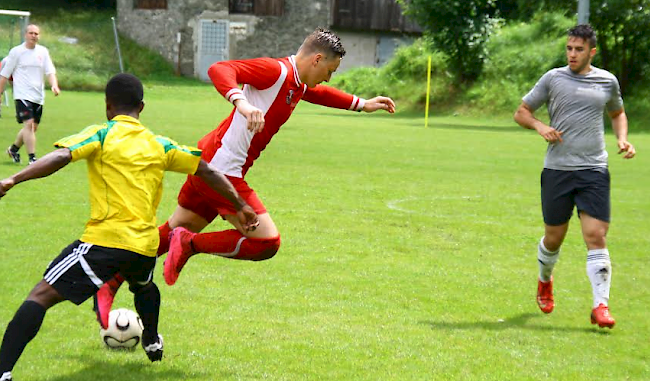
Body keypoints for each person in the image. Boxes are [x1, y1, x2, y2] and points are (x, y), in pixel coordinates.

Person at [92, 27, 396, 327]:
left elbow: (318, 93)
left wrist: (361, 104)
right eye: (330, 69)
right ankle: (191, 245)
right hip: (221, 171)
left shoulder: (298, 82)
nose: (329, 77)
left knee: (170, 231)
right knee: (266, 242)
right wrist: (242, 102)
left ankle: (109, 280)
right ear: (316, 59)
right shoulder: (275, 71)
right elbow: (220, 68)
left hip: (210, 160)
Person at [0, 73, 259, 381]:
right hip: (144, 246)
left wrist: (14, 178)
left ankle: (2, 371)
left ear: (108, 107)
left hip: (104, 243)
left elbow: (61, 155)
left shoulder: (101, 134)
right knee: (143, 285)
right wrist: (241, 205)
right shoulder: (160, 144)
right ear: (142, 107)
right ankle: (151, 339)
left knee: (40, 296)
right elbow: (207, 170)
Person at [513, 24, 635, 329]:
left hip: (594, 169)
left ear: (591, 51)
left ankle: (600, 306)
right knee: (554, 239)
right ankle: (544, 279)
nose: (572, 54)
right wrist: (541, 127)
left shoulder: (607, 81)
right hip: (558, 171)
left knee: (596, 235)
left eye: (579, 49)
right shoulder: (553, 79)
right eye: (569, 48)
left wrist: (622, 139)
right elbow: (522, 112)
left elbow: (617, 113)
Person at [0, 24, 60, 165]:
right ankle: (32, 158)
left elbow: (50, 71)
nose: (34, 35)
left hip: (38, 96)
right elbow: (4, 75)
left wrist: (54, 85)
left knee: (33, 128)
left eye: (36, 33)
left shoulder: (43, 52)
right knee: (28, 125)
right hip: (22, 95)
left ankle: (13, 149)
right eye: (31, 33)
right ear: (25, 35)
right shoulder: (16, 52)